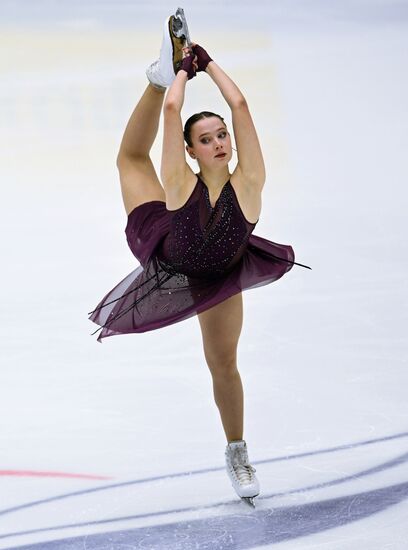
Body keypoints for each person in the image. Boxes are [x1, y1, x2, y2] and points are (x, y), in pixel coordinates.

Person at [88, 9, 311, 505]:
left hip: (220, 274)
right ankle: (156, 77)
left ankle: (237, 451)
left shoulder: (248, 184)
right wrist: (180, 74)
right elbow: (171, 116)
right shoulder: (180, 183)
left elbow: (241, 104)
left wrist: (207, 63)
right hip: (168, 250)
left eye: (221, 136)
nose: (217, 143)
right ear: (190, 151)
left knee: (223, 363)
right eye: (205, 139)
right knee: (129, 159)